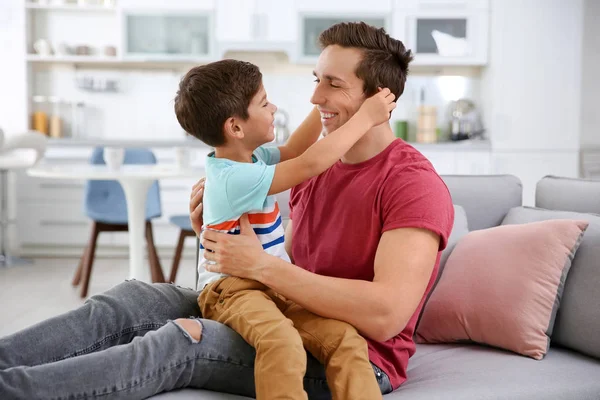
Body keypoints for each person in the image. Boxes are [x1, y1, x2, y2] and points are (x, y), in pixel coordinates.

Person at [0, 21, 454, 399]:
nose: (314, 99)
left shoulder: (410, 183)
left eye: (332, 84)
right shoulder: (315, 168)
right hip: (281, 301)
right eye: (316, 80)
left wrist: (262, 267)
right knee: (132, 299)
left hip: (357, 354)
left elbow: (386, 315)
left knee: (181, 341)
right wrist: (222, 234)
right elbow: (291, 257)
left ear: (379, 99)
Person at [174, 58, 395, 400]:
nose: (273, 107)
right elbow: (309, 163)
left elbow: (295, 149)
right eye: (264, 103)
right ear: (235, 127)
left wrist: (325, 103)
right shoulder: (234, 177)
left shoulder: (252, 156)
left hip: (273, 281)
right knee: (281, 341)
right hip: (233, 289)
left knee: (346, 341)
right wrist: (365, 116)